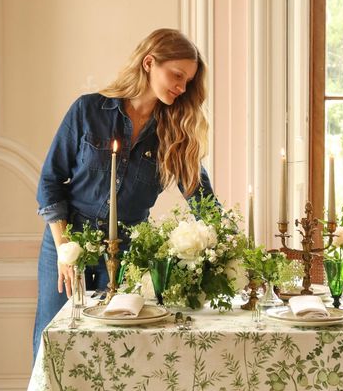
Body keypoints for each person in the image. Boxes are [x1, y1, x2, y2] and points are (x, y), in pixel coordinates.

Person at [33, 28, 216, 359]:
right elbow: (50, 181)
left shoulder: (175, 133)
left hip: (126, 254)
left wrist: (234, 250)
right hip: (67, 241)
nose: (181, 87)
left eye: (187, 81)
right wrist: (64, 251)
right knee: (54, 349)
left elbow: (204, 203)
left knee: (111, 357)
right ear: (149, 63)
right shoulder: (88, 111)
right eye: (177, 75)